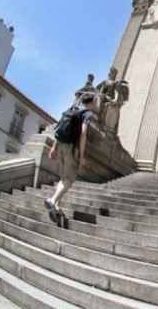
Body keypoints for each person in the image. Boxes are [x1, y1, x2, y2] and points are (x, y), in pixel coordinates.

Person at [45, 94, 97, 222]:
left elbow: (60, 128)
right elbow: (83, 133)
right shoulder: (88, 114)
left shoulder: (73, 109)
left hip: (61, 144)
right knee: (70, 178)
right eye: (95, 102)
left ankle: (56, 205)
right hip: (72, 148)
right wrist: (81, 155)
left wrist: (53, 147)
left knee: (64, 178)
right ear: (91, 103)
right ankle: (52, 200)